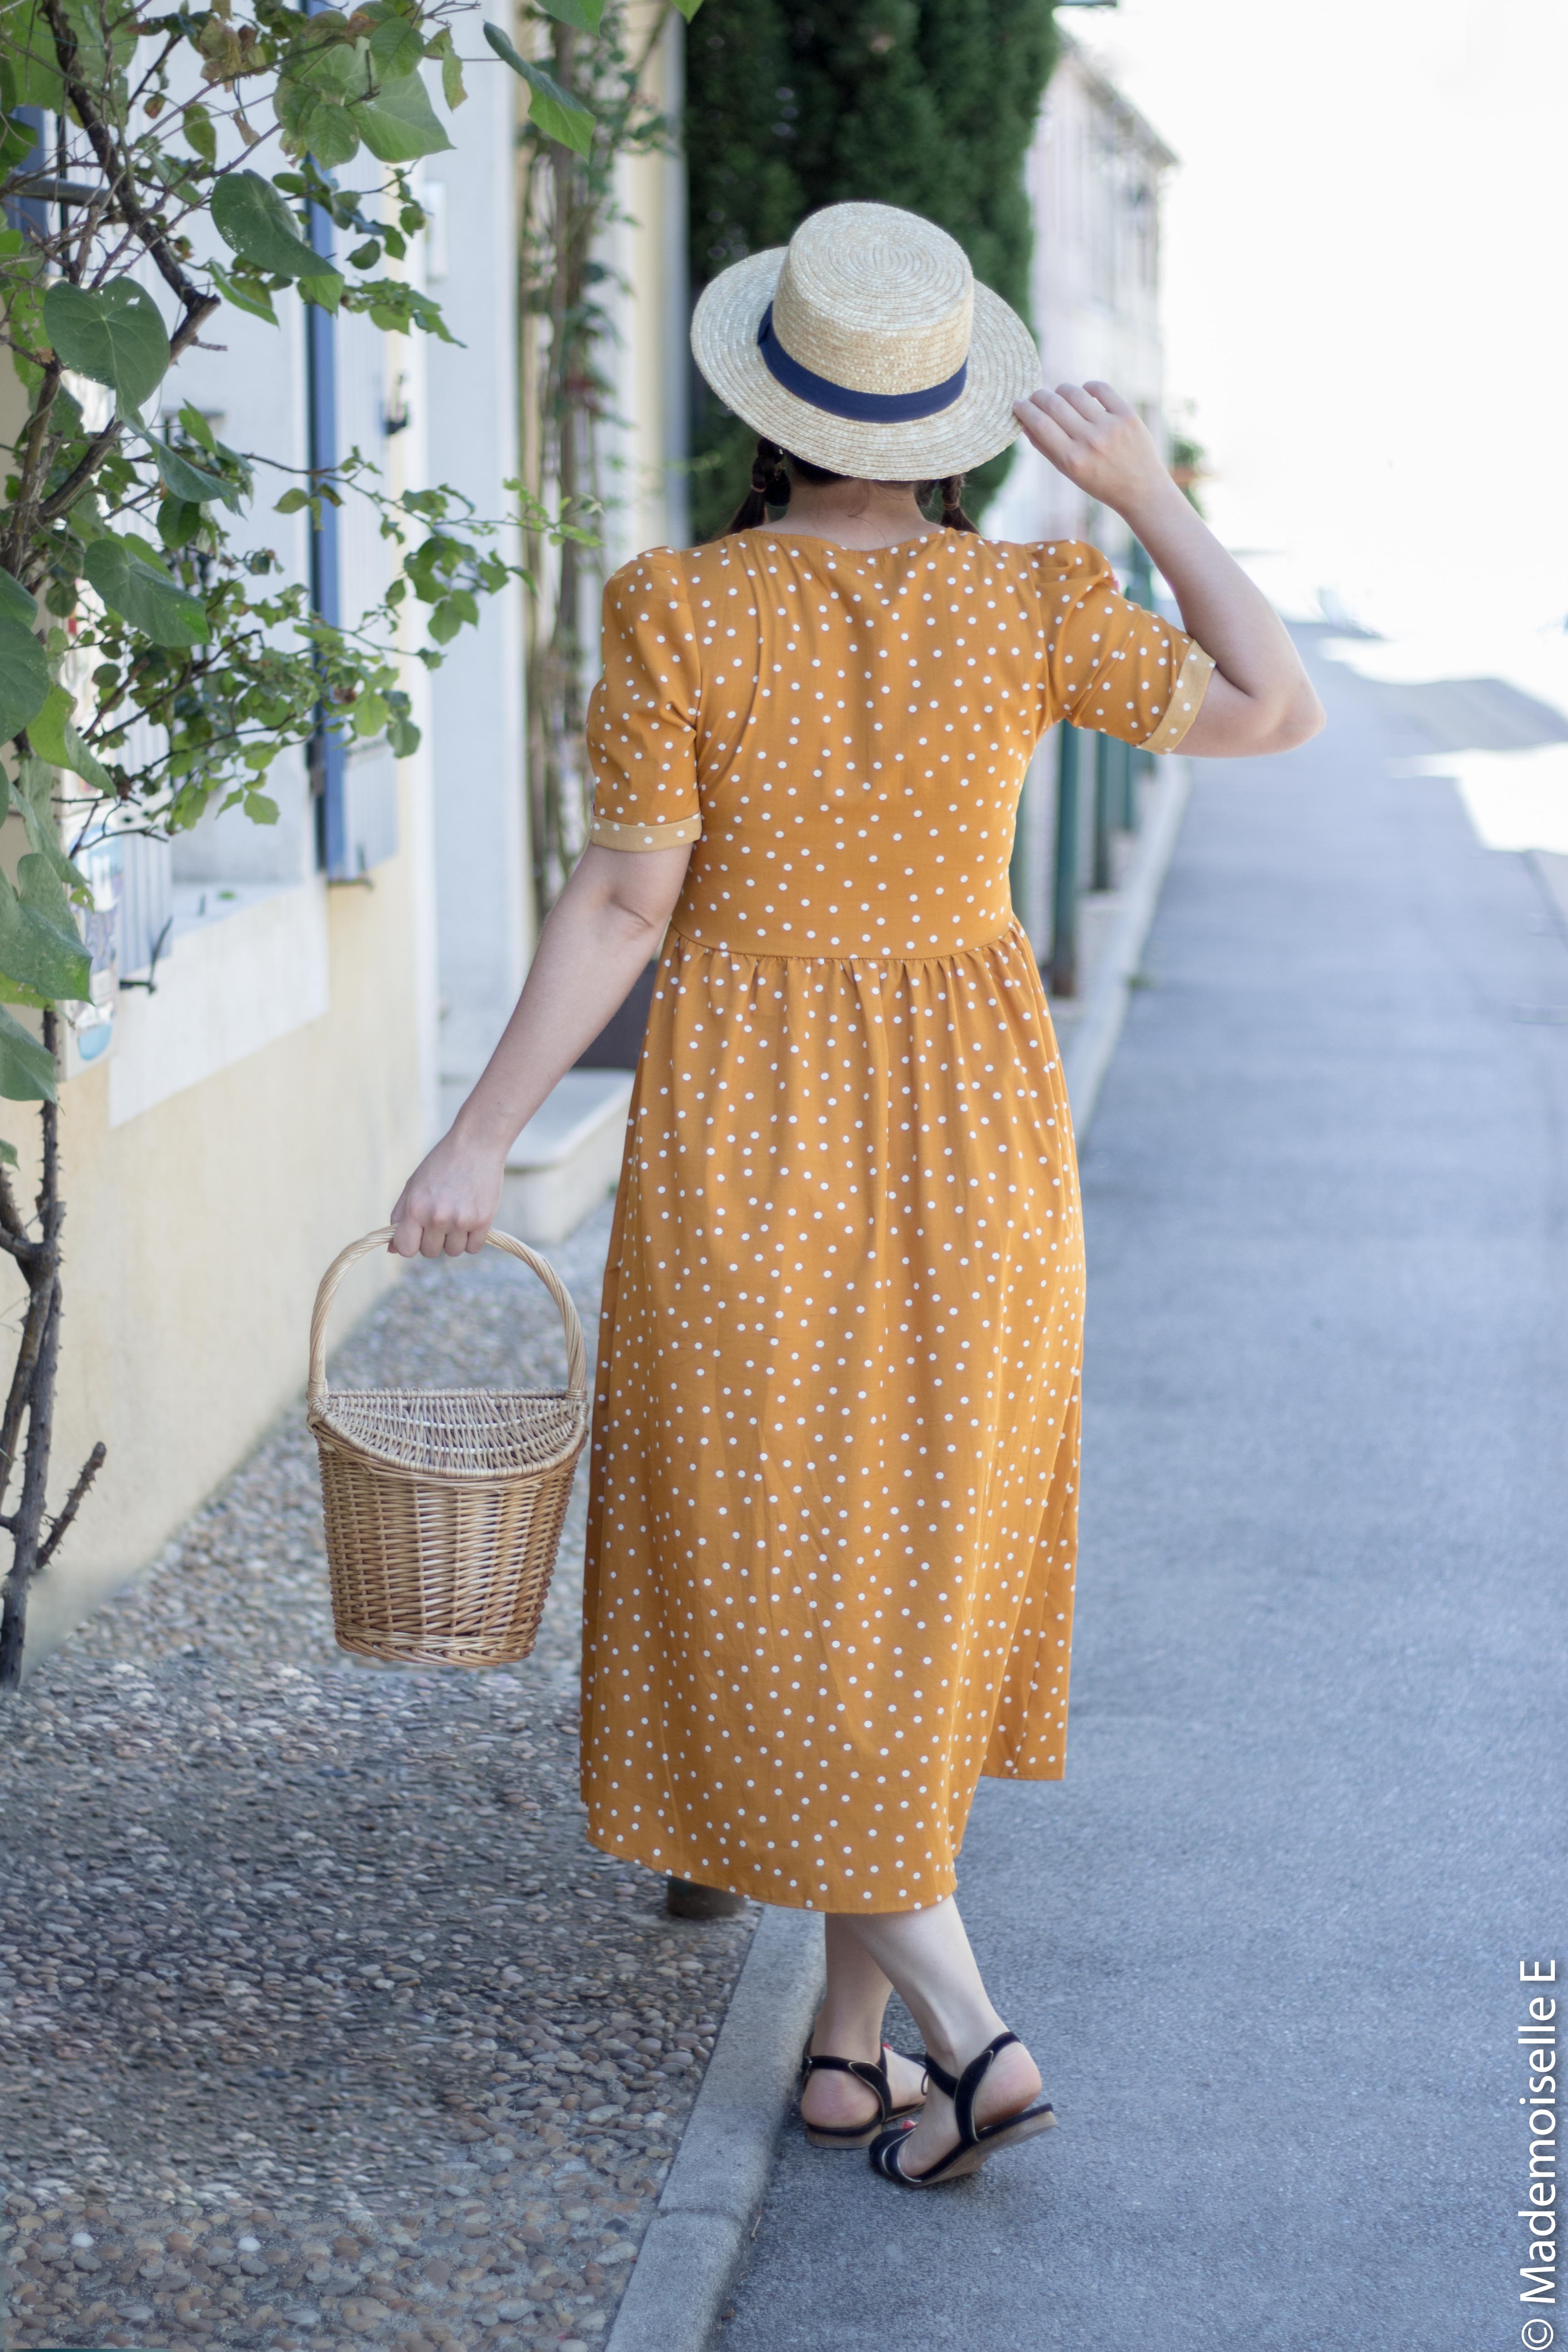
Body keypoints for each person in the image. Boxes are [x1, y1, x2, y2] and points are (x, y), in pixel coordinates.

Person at [390, 202, 1322, 2187]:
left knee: (763, 1575)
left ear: (773, 404)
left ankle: (964, 2036)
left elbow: (629, 900)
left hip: (755, 1131)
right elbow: (1273, 702)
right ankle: (841, 2051)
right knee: (891, 1575)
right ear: (956, 421)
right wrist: (1149, 498)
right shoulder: (1033, 601)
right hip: (981, 1134)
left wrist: (480, 1130)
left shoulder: (677, 608)